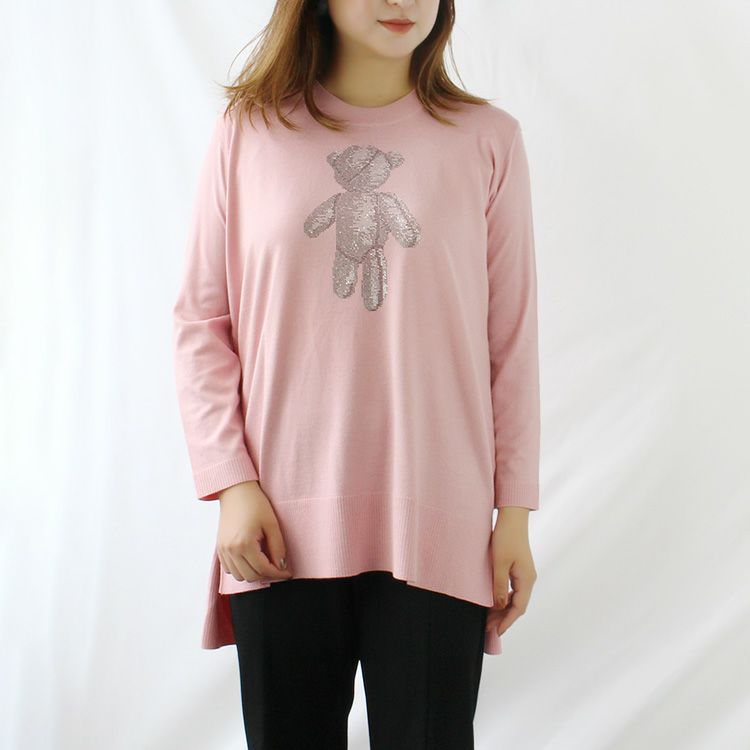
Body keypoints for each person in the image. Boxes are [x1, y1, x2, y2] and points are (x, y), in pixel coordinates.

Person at [172, 0, 541, 747]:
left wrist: (514, 514)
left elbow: (511, 341)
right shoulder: (248, 133)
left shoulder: (487, 140)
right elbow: (201, 326)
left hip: (438, 516)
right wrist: (232, 485)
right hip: (277, 522)